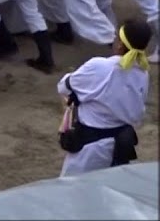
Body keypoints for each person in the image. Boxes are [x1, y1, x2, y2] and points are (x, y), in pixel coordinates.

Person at [57, 19, 151, 176]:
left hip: (91, 147)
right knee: (110, 192)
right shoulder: (143, 73)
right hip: (122, 147)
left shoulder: (99, 66)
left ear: (120, 44)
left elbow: (64, 86)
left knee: (73, 191)